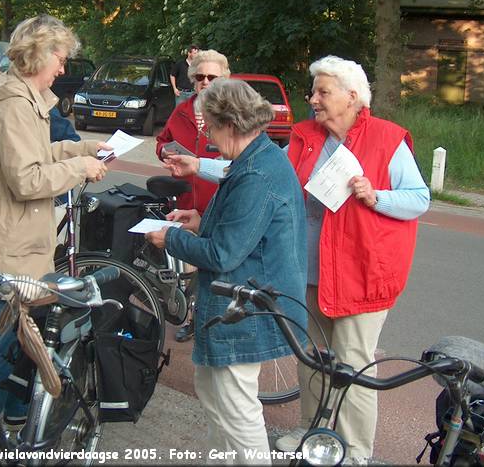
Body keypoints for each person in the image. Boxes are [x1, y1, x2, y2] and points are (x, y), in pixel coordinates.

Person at [273, 55, 430, 463]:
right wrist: (203, 165)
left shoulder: (387, 138)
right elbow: (264, 175)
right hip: (309, 268)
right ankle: (311, 431)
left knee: (354, 364)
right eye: (314, 92)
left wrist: (376, 195)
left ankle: (356, 450)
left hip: (363, 272)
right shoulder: (304, 135)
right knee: (311, 357)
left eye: (323, 92)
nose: (314, 100)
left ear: (353, 97)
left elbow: (419, 198)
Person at [0, 14, 111, 427]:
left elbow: (37, 154)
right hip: (9, 240)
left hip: (18, 237)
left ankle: (7, 408)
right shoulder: (14, 107)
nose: (63, 68)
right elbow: (26, 180)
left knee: (17, 330)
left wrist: (87, 148)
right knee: (9, 336)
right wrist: (80, 167)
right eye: (60, 58)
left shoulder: (23, 101)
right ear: (38, 55)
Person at [146, 77, 307, 465]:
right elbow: (245, 231)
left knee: (237, 407)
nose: (208, 138)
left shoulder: (256, 174)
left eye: (211, 128)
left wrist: (170, 238)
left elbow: (223, 254)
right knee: (215, 392)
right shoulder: (256, 159)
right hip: (241, 299)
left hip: (245, 305)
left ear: (231, 125)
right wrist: (198, 221)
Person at [155, 49, 230, 342]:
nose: (205, 82)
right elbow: (162, 141)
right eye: (199, 76)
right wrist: (165, 152)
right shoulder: (183, 110)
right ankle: (194, 317)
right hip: (187, 199)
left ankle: (211, 321)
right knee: (192, 266)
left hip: (219, 202)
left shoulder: (231, 114)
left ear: (224, 78)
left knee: (215, 266)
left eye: (212, 76)